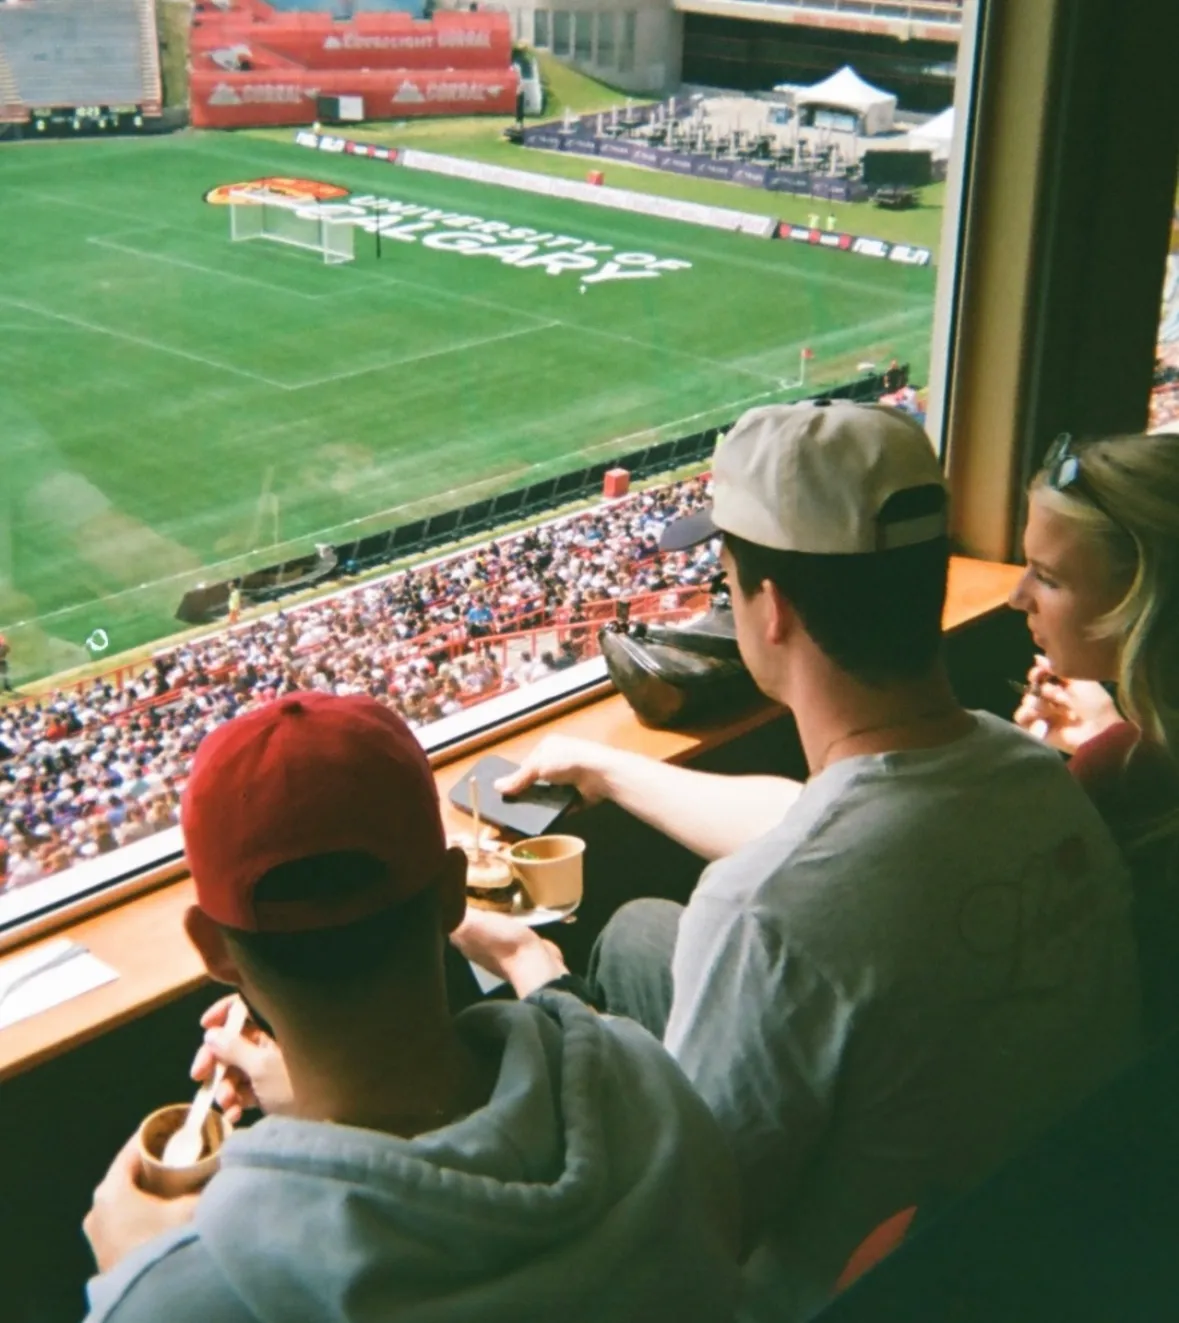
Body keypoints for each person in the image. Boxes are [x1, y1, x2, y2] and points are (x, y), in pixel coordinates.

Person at [453, 401, 1143, 1323]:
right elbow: (834, 832)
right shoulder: (1031, 774)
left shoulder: (765, 917)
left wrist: (536, 981)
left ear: (769, 607)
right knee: (639, 935)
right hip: (1045, 1254)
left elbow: (674, 1235)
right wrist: (608, 769)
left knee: (612, 965)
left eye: (727, 579)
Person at [81, 692, 741, 1323]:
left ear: (212, 948)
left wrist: (132, 1273)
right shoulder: (642, 1077)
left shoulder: (181, 1294)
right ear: (455, 894)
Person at [1009, 430, 1179, 1035]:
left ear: (1145, 600)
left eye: (1048, 578)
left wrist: (1023, 773)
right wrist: (1113, 734)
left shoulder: (1123, 782)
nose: (1016, 596)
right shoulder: (1134, 765)